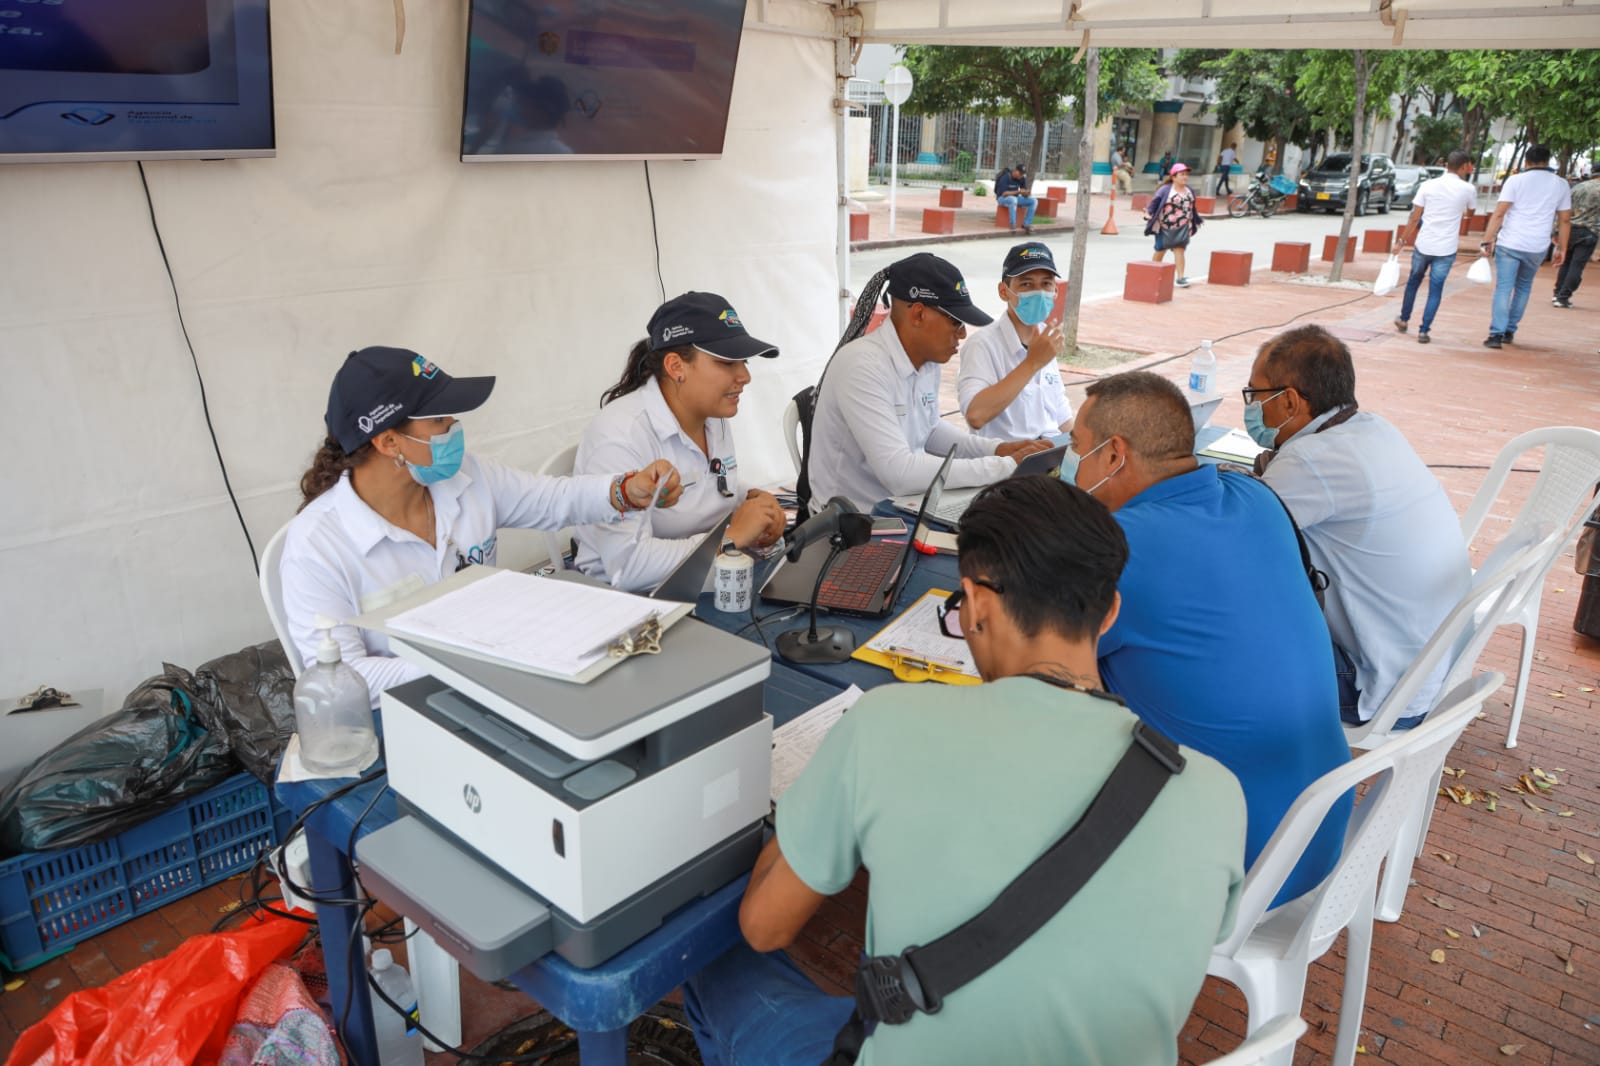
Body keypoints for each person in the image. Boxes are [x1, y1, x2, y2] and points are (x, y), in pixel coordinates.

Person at [682, 476, 1248, 1066]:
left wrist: (819, 793)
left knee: (717, 962)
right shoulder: (1216, 793)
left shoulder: (884, 726)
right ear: (1109, 613)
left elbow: (762, 927)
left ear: (976, 604)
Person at [1067, 370, 1351, 905]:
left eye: (1076, 448)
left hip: (1230, 861)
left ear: (1113, 455)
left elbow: (1042, 673)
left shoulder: (1120, 548)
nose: (1070, 461)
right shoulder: (1257, 497)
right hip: (1315, 830)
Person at [279, 346, 683, 704]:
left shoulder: (468, 480)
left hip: (492, 686)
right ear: (388, 443)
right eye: (438, 419)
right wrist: (477, 658)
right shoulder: (316, 548)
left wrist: (627, 490)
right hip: (399, 715)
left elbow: (554, 499)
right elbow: (345, 680)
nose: (455, 427)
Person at [1247, 325, 1471, 727]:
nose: (1251, 407)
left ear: (1291, 401)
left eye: (1255, 395)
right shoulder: (1373, 429)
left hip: (1379, 686)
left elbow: (1231, 544)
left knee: (1214, 620)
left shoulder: (1312, 461)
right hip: (1427, 667)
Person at [572, 292, 789, 592]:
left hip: (705, 579)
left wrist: (751, 499)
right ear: (676, 367)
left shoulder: (713, 415)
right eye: (727, 362)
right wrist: (733, 536)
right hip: (629, 603)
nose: (745, 375)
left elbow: (710, 481)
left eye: (744, 361)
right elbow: (628, 567)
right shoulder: (619, 435)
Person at [808, 253, 1052, 511]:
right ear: (919, 314)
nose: (962, 333)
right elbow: (899, 473)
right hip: (852, 526)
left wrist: (997, 450)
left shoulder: (927, 360)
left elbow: (930, 430)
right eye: (955, 321)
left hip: (899, 508)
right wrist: (1005, 466)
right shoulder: (862, 366)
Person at [957, 242, 1073, 441]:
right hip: (1007, 462)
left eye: (1046, 284)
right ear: (1004, 292)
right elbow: (975, 415)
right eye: (1026, 284)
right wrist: (1032, 363)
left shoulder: (1047, 336)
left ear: (1056, 291)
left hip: (1050, 456)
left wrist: (1085, 451)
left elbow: (1060, 412)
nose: (1038, 292)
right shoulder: (983, 345)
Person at [1479, 144, 1572, 348]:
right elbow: (1565, 220)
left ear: (1526, 162)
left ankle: (1496, 334)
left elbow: (1500, 212)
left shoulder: (1516, 180)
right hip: (1537, 245)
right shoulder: (1561, 184)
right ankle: (1509, 331)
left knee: (1503, 287)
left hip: (1510, 242)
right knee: (1523, 287)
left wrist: (1487, 239)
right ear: (1548, 162)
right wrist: (1562, 248)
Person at [1393, 149, 1478, 344]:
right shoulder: (1468, 189)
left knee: (1413, 282)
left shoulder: (1428, 185)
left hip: (1424, 244)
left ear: (1445, 165)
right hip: (1447, 248)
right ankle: (1424, 331)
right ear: (1464, 166)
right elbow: (1470, 213)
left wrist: (1401, 241)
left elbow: (1415, 216)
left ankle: (1404, 319)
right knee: (1436, 289)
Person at [1146, 164, 1203, 288]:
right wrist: (1148, 214)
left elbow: (1192, 208)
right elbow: (1154, 204)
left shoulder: (1189, 190)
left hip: (1183, 226)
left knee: (1180, 249)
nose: (1185, 177)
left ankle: (1180, 278)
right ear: (1174, 177)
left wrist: (1196, 220)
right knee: (1161, 249)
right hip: (1164, 226)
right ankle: (1152, 273)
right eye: (1182, 174)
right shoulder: (1165, 189)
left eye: (1186, 174)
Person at [1553, 170, 1599, 308]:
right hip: (1590, 231)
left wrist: (1556, 230)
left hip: (1570, 229)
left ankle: (1557, 293)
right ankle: (1563, 297)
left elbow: (1563, 210)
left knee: (1565, 262)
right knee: (1577, 265)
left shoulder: (1577, 187)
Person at [994, 163, 1037, 234]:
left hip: (1015, 198)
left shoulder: (1021, 178)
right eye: (1020, 174)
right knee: (1013, 199)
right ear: (1016, 171)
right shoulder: (1005, 177)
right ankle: (1013, 224)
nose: (1021, 176)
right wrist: (1019, 192)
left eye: (1023, 174)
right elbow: (1004, 194)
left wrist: (1026, 193)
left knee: (1034, 201)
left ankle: (1027, 224)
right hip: (1002, 199)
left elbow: (1023, 192)